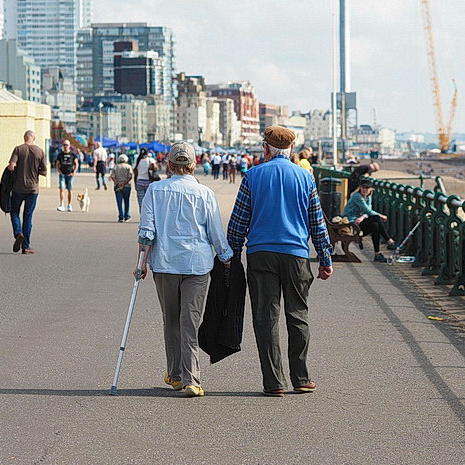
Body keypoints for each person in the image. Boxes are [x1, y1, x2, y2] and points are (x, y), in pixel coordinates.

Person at [227, 125, 333, 397]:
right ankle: (301, 377)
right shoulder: (305, 177)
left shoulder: (252, 176)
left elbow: (239, 220)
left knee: (266, 317)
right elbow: (317, 222)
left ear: (266, 149)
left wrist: (231, 253)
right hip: (296, 254)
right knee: (297, 315)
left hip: (261, 254)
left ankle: (274, 381)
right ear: (292, 150)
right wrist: (324, 257)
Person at [137, 141, 233, 397]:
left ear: (168, 165)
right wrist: (226, 256)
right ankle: (193, 379)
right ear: (194, 165)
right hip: (197, 265)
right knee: (190, 321)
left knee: (171, 320)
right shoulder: (205, 194)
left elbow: (146, 232)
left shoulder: (154, 191)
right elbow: (214, 232)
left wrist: (141, 263)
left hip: (165, 264)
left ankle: (175, 374)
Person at [7, 130, 47, 255]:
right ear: (33, 138)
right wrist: (35, 171)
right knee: (28, 217)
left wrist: (18, 169)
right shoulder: (40, 151)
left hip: (18, 188)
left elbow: (11, 166)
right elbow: (44, 172)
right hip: (33, 189)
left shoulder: (18, 149)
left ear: (24, 137)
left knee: (14, 212)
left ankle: (18, 233)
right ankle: (26, 247)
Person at [342, 179, 396, 262]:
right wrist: (382, 216)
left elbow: (368, 211)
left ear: (371, 189)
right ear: (360, 188)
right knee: (377, 218)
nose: (365, 190)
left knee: (375, 226)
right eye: (363, 187)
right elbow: (369, 211)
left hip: (359, 222)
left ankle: (377, 254)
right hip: (351, 223)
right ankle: (389, 240)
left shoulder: (368, 197)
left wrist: (363, 217)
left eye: (367, 188)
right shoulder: (357, 196)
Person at [55, 140, 79, 212]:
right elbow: (57, 164)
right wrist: (59, 171)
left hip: (70, 174)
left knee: (69, 189)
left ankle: (69, 205)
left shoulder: (73, 154)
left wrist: (74, 172)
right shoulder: (60, 155)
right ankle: (61, 204)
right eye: (64, 145)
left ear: (69, 146)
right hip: (62, 174)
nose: (65, 146)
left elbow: (76, 163)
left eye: (67, 145)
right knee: (62, 189)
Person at [110, 154, 133, 222]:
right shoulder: (128, 166)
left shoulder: (116, 167)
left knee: (119, 202)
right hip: (127, 186)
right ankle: (127, 216)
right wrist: (124, 183)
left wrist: (117, 183)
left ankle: (120, 216)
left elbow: (112, 176)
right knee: (127, 201)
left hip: (117, 186)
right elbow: (130, 176)